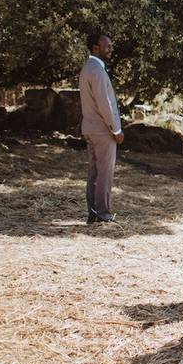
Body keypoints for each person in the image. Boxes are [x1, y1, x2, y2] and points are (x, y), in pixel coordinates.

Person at [79, 32, 124, 223]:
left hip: (90, 128)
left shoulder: (87, 69)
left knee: (94, 173)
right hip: (102, 130)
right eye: (108, 46)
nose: (111, 49)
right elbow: (104, 104)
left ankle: (93, 213)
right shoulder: (97, 71)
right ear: (96, 48)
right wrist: (116, 129)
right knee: (104, 173)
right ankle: (103, 214)